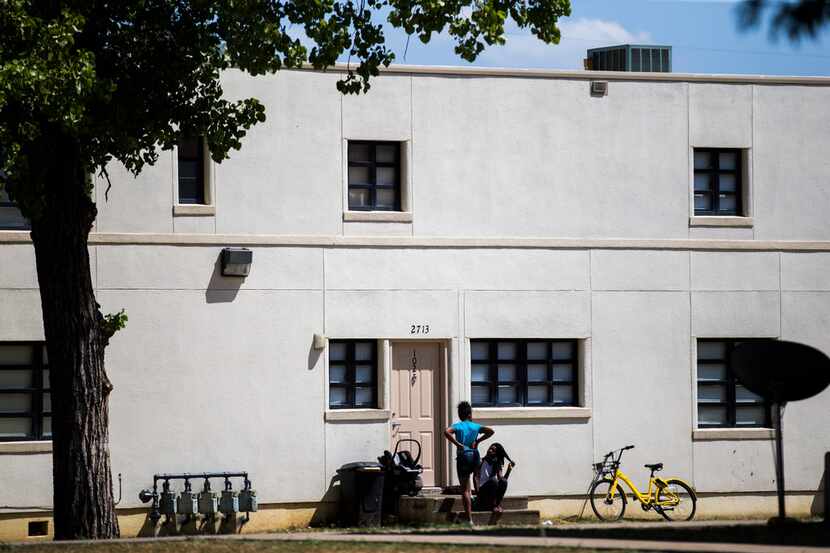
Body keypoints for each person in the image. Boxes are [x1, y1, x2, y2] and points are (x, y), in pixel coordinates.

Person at [444, 401, 494, 524]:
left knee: (465, 490)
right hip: (475, 455)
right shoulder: (475, 426)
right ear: (470, 415)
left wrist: (458, 444)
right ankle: (481, 506)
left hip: (463, 457)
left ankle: (469, 518)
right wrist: (478, 441)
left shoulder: (458, 426)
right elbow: (491, 431)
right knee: (477, 482)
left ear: (460, 415)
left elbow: (446, 431)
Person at [474, 442, 515, 513]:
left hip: (492, 490)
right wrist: (478, 493)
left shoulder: (497, 464)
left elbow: (502, 481)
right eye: (490, 448)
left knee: (503, 481)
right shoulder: (481, 461)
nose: (490, 450)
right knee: (494, 481)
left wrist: (509, 470)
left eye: (493, 450)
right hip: (482, 490)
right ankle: (493, 505)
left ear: (496, 454)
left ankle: (497, 505)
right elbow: (475, 477)